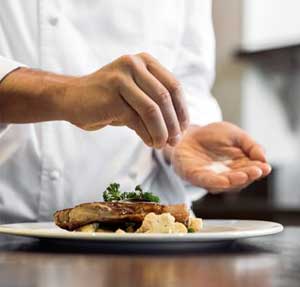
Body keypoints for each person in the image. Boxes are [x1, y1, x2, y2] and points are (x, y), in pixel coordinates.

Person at [0, 0, 271, 223]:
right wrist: (68, 94)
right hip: (7, 232)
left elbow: (189, 81)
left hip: (147, 239)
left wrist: (181, 134)